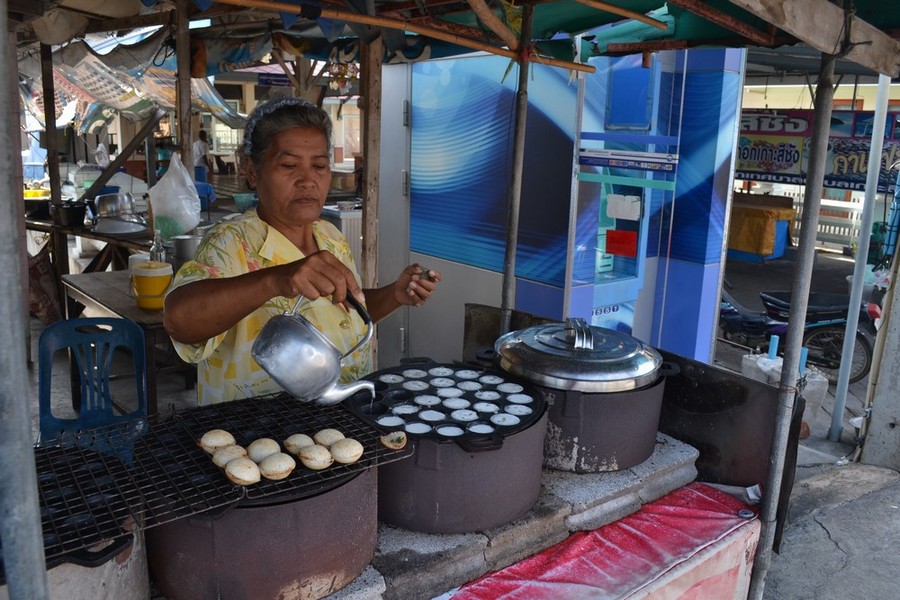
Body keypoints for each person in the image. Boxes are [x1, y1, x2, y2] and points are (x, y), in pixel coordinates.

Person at [164, 97, 442, 405]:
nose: (308, 180)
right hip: (257, 439)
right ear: (252, 172)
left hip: (345, 425)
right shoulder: (231, 242)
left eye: (320, 166)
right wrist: (278, 280)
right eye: (289, 165)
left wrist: (393, 295)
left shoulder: (330, 237)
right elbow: (179, 320)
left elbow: (343, 311)